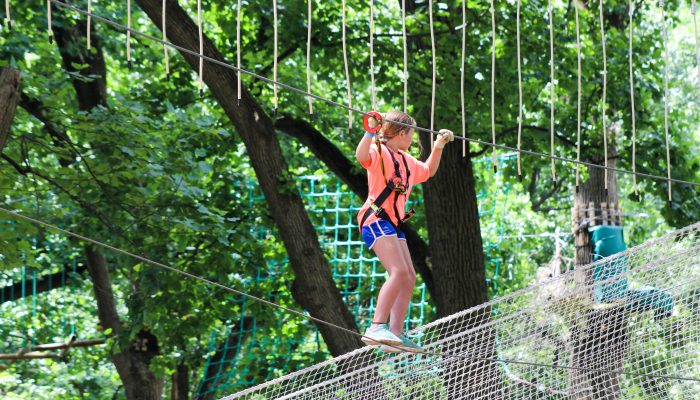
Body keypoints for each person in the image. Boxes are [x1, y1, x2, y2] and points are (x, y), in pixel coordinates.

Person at [355, 110, 453, 353]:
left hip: (391, 222)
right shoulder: (380, 152)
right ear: (402, 133)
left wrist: (438, 145)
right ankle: (376, 327)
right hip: (375, 218)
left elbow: (428, 171)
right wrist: (369, 132)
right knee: (398, 271)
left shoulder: (406, 160)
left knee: (409, 275)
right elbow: (361, 156)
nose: (413, 139)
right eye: (412, 134)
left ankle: (395, 334)